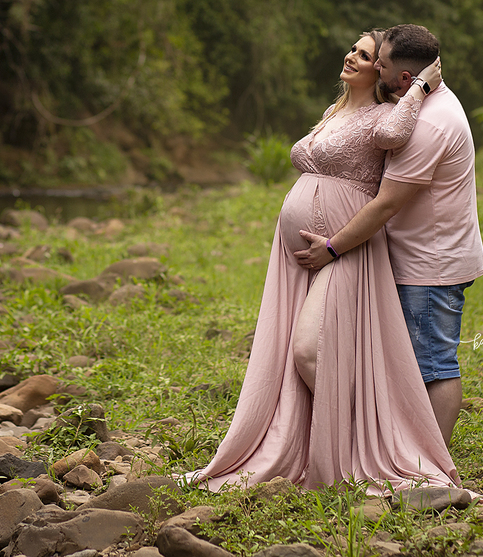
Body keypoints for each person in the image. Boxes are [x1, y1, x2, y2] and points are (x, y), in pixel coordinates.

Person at [186, 30, 461, 494]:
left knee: (309, 352)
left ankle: (367, 439)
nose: (352, 57)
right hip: (302, 255)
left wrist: (418, 87)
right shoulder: (336, 111)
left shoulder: (386, 114)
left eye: (366, 55)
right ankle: (313, 441)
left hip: (346, 247)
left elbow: (393, 136)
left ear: (382, 71)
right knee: (291, 349)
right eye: (354, 49)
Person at [294, 24, 483, 448]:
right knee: (407, 363)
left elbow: (386, 204)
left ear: (404, 77)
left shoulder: (429, 123)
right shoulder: (418, 105)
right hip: (406, 256)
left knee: (432, 366)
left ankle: (430, 466)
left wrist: (332, 247)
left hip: (429, 264)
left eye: (378, 62)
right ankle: (395, 450)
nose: (373, 67)